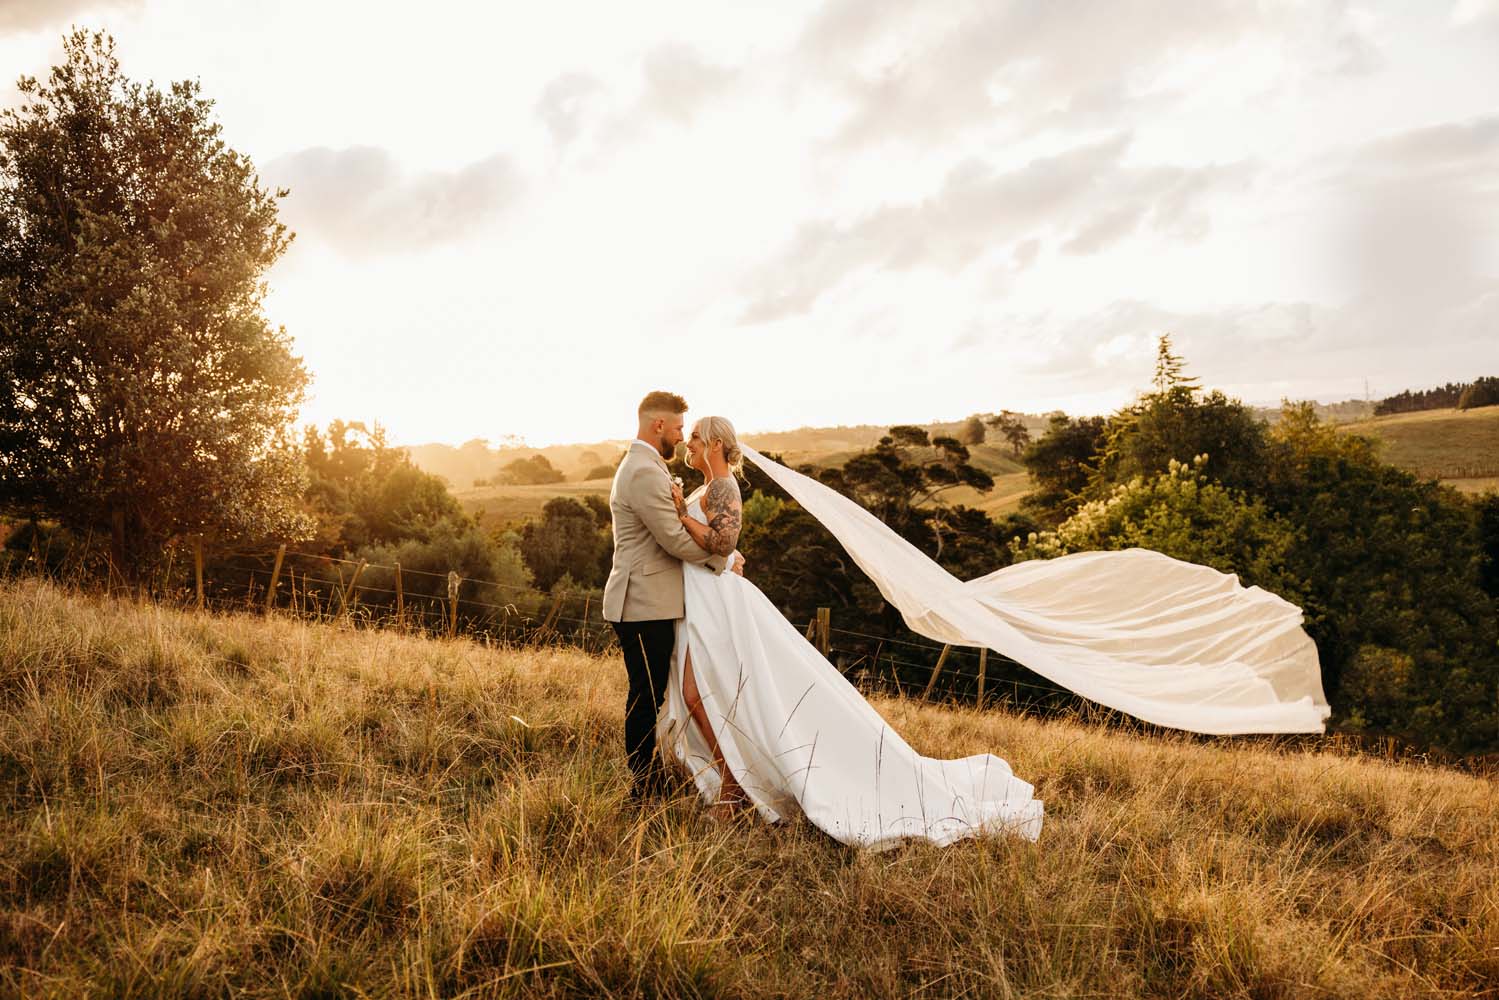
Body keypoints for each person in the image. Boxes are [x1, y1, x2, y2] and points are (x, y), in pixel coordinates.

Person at [655, 415, 1045, 848]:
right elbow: (725, 544)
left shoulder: (724, 485)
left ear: (713, 443)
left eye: (693, 437)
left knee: (706, 694)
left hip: (721, 606)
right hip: (706, 602)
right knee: (716, 695)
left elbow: (722, 543)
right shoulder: (708, 488)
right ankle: (735, 785)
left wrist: (679, 516)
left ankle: (733, 790)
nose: (687, 443)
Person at [602, 391, 742, 801]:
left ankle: (653, 776)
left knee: (654, 694)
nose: (682, 438)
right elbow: (673, 540)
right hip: (642, 602)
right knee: (646, 696)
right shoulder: (643, 471)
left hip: (658, 600)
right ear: (657, 425)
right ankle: (642, 787)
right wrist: (724, 559)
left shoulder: (646, 466)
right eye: (680, 428)